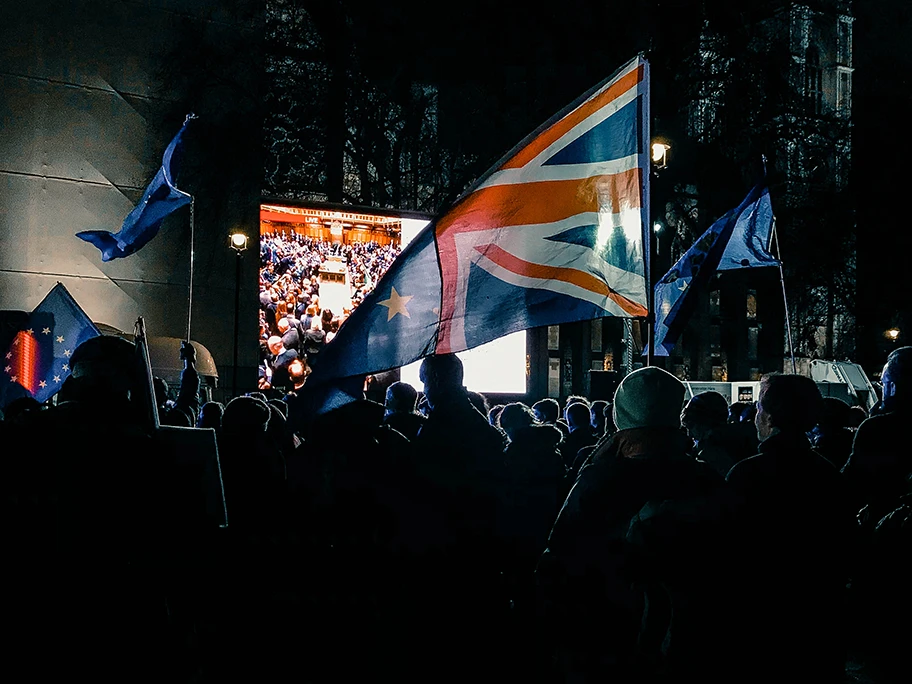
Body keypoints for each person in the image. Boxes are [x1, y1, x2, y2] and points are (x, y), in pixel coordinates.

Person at [539, 367, 732, 684]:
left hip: (603, 638)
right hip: (683, 640)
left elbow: (561, 555)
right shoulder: (704, 477)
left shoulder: (602, 478)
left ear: (621, 416)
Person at [726, 373, 854, 684]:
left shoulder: (747, 474)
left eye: (758, 407)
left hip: (760, 616)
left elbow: (728, 548)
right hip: (817, 618)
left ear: (768, 415)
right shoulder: (829, 475)